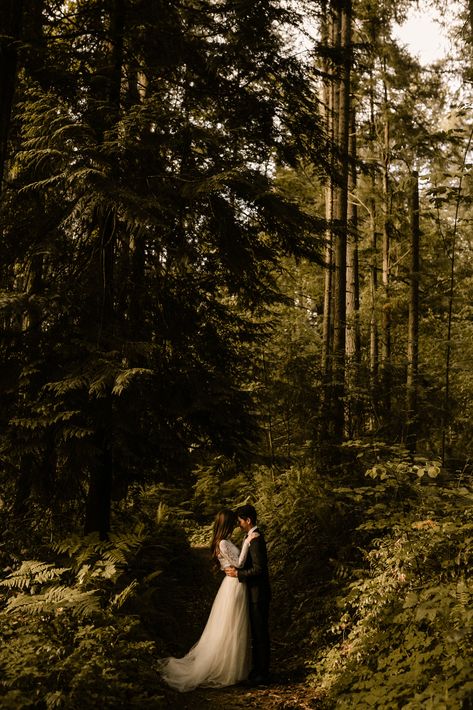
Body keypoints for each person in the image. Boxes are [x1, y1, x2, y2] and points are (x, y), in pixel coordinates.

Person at [158, 508, 259, 692]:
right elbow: (238, 564)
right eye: (233, 521)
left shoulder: (225, 541)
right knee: (231, 626)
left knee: (234, 626)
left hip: (234, 584)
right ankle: (228, 670)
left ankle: (235, 667)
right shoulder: (223, 543)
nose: (237, 524)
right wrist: (247, 543)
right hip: (233, 586)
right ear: (226, 523)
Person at [224, 503, 271, 685]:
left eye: (240, 521)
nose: (239, 524)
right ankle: (257, 669)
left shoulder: (256, 539)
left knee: (260, 634)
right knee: (256, 633)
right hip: (253, 592)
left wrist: (239, 574)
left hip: (259, 593)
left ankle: (263, 673)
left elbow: (259, 569)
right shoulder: (250, 537)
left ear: (248, 520)